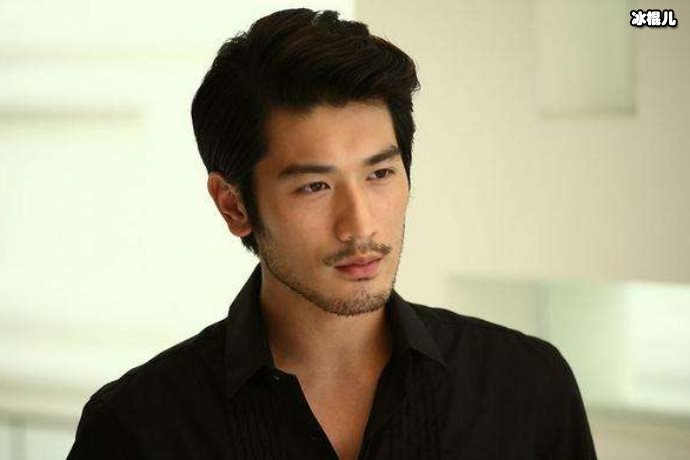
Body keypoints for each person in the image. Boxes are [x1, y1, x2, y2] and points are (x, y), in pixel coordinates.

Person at [68, 8, 597, 460]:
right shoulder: (137, 430)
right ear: (233, 204)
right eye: (315, 186)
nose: (360, 225)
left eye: (380, 174)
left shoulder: (527, 387)